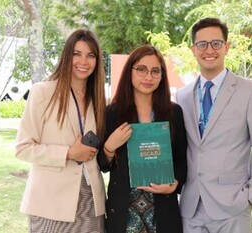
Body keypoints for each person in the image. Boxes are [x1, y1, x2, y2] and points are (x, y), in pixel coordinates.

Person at [176, 17, 252, 233]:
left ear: (227, 47)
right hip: (190, 209)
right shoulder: (183, 95)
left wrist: (251, 197)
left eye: (216, 43)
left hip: (233, 209)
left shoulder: (251, 92)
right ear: (193, 49)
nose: (209, 50)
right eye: (201, 44)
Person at [15, 29, 106, 233]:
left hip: (90, 201)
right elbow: (23, 148)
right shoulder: (43, 92)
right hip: (50, 203)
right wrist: (68, 153)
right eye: (77, 54)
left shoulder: (98, 100)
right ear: (66, 56)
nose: (84, 61)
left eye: (90, 55)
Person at [97, 45, 187, 233]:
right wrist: (108, 148)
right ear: (130, 71)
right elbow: (102, 165)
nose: (148, 77)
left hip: (162, 212)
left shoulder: (173, 113)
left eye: (155, 71)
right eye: (141, 69)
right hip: (124, 213)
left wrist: (175, 184)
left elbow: (182, 159)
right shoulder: (112, 113)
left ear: (162, 76)